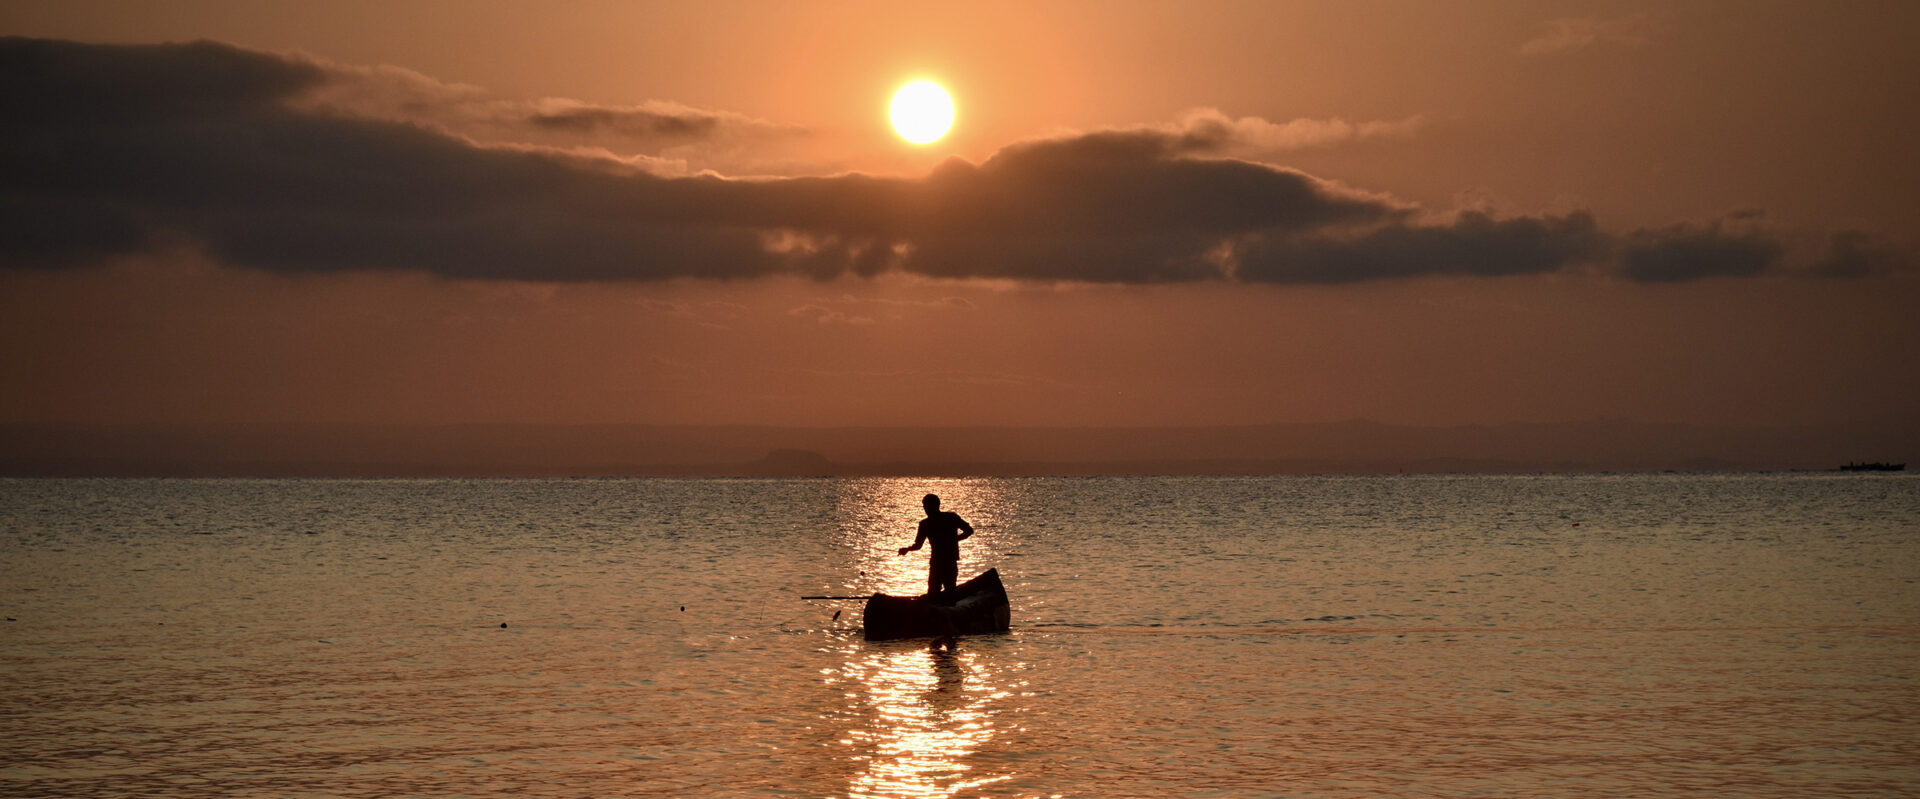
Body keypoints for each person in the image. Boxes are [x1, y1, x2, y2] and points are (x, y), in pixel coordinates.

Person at [897, 493, 974, 598]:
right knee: (947, 592)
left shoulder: (926, 523)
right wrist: (954, 540)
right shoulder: (950, 518)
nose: (925, 509)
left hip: (941, 562)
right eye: (924, 506)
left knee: (937, 593)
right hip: (945, 561)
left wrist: (907, 549)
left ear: (933, 506)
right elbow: (969, 530)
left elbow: (918, 545)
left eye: (926, 506)